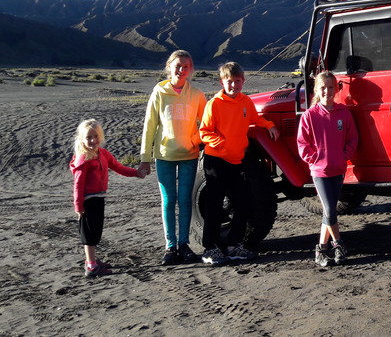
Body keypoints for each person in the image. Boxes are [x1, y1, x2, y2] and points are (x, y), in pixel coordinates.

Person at [199, 61, 280, 266]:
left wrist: (270, 126)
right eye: (229, 81)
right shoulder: (214, 104)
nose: (233, 85)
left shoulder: (245, 102)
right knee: (214, 205)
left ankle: (233, 245)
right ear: (222, 82)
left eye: (237, 81)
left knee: (242, 203)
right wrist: (222, 144)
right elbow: (204, 132)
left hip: (237, 161)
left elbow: (255, 119)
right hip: (216, 160)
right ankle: (210, 248)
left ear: (243, 81)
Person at [140, 50, 207, 266]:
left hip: (189, 155)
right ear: (169, 66)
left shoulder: (196, 95)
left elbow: (206, 124)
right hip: (164, 155)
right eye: (177, 65)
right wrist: (144, 157)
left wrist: (195, 141)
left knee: (185, 200)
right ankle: (170, 246)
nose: (181, 70)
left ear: (191, 69)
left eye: (185, 67)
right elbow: (150, 126)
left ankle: (184, 244)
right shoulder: (159, 92)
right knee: (169, 201)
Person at [70, 119, 147, 278]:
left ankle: (92, 261)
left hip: (99, 198)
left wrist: (136, 173)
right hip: (88, 201)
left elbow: (118, 167)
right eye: (89, 137)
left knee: (96, 231)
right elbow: (78, 184)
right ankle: (91, 266)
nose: (92, 140)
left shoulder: (103, 154)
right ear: (82, 139)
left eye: (95, 136)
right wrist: (78, 207)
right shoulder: (83, 159)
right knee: (89, 234)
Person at [296, 71, 358, 267]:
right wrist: (315, 159)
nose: (327, 91)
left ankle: (321, 250)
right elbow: (302, 143)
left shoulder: (343, 113)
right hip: (320, 171)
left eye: (331, 87)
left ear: (336, 89)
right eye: (323, 87)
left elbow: (352, 138)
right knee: (330, 209)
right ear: (316, 90)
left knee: (328, 212)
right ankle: (339, 244)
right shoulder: (310, 115)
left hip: (338, 169)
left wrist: (344, 155)